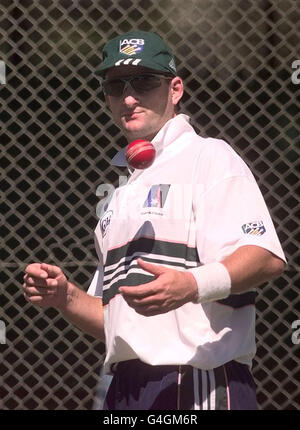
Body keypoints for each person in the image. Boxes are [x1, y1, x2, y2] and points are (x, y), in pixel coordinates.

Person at [23, 30, 286, 410]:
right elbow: (114, 318)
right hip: (125, 388)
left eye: (145, 82)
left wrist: (191, 285)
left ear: (175, 89)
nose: (129, 98)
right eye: (116, 86)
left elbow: (265, 256)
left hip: (198, 380)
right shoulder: (121, 193)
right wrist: (64, 296)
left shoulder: (209, 157)